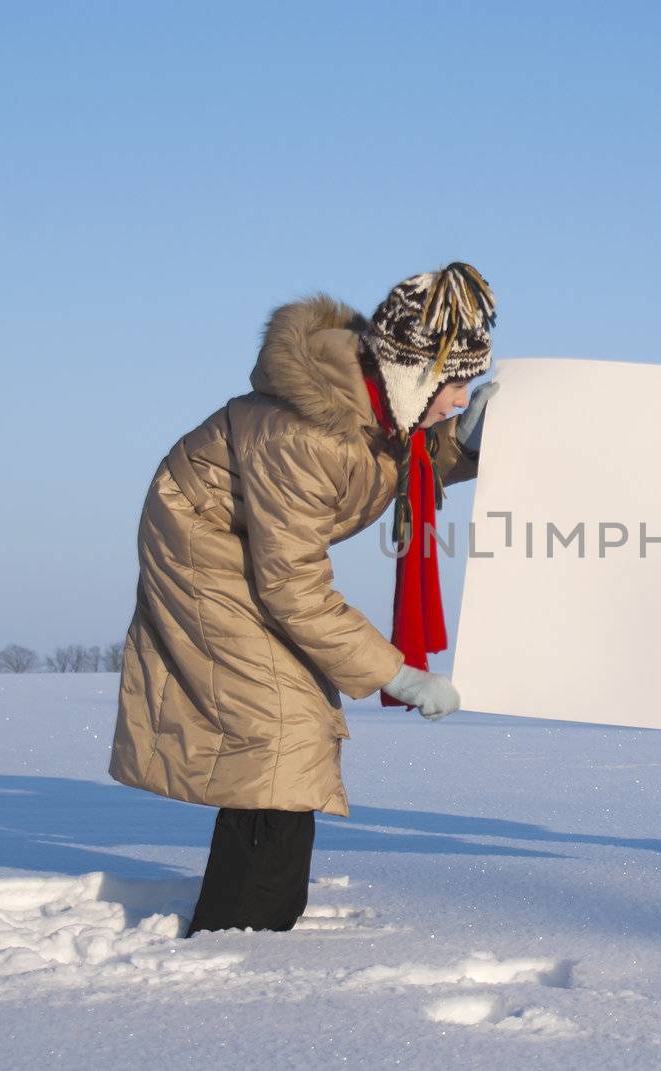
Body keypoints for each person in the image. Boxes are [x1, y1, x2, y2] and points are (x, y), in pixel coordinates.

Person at [109, 263, 501, 935]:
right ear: (412, 374)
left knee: (286, 734)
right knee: (282, 725)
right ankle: (243, 929)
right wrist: (393, 672)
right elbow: (293, 585)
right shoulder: (307, 435)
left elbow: (399, 451)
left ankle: (253, 919)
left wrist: (459, 447)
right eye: (455, 384)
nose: (461, 398)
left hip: (251, 545)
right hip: (203, 542)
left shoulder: (373, 400)